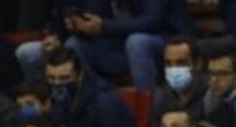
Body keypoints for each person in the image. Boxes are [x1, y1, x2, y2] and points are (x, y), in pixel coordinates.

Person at [19, 0, 194, 93]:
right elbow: (70, 9)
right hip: (116, 47)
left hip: (164, 43)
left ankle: (147, 107)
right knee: (74, 45)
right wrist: (73, 26)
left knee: (136, 42)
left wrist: (104, 27)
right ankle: (96, 99)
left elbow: (152, 19)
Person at [44, 47, 144, 127]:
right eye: (51, 78)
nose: (57, 84)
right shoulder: (58, 102)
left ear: (79, 76)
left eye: (64, 78)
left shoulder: (105, 103)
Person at [153, 36, 208, 127]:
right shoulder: (162, 98)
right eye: (168, 64)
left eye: (181, 63)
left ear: (198, 64)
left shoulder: (210, 97)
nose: (174, 69)